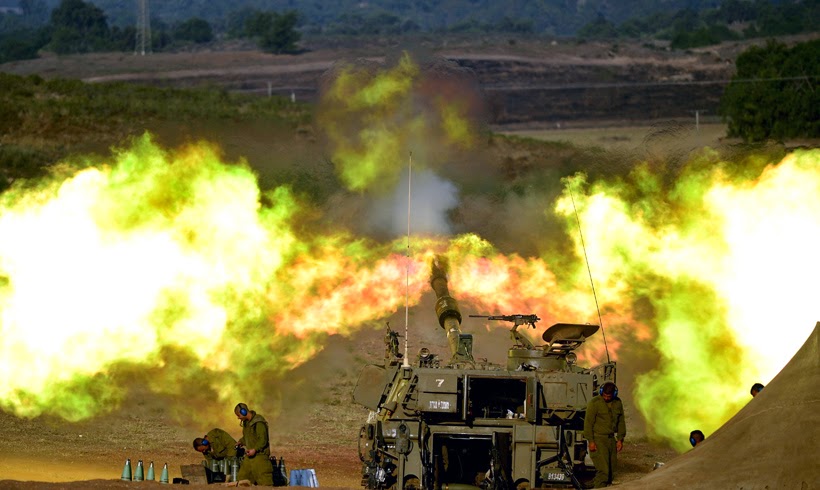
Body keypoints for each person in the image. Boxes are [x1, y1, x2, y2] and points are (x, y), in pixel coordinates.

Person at [583, 381, 626, 488]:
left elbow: (621, 422)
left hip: (611, 440)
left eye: (609, 396)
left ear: (614, 394)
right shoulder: (595, 403)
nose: (606, 398)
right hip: (598, 440)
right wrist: (591, 441)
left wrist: (620, 439)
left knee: (610, 472)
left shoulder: (617, 403)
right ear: (601, 392)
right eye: (605, 395)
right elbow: (588, 424)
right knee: (603, 471)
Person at [234, 402, 273, 486]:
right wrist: (241, 442)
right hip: (249, 457)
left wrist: (255, 449)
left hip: (260, 457)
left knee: (265, 483)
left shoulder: (258, 422)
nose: (238, 418)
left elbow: (263, 440)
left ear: (243, 412)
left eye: (238, 415)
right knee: (241, 480)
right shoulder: (246, 423)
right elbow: (247, 437)